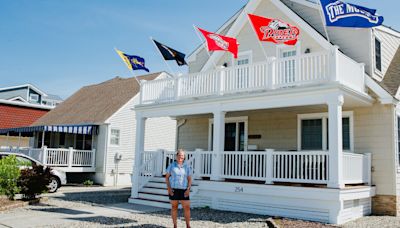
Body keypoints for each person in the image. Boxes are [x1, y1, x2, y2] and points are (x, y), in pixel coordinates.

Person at [165, 149, 192, 228]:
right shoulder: (171, 165)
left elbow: (190, 179)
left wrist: (188, 189)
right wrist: (169, 189)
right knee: (174, 207)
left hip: (184, 190)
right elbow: (166, 178)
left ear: (184, 157)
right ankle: (175, 225)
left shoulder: (187, 166)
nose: (181, 157)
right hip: (174, 190)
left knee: (187, 208)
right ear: (176, 156)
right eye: (179, 155)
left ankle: (188, 225)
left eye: (182, 156)